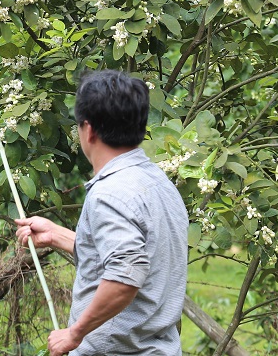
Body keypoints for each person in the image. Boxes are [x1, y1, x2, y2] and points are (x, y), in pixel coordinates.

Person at [15, 70, 189, 356]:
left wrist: (74, 333)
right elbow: (140, 253)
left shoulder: (111, 193)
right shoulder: (157, 182)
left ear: (89, 129)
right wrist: (57, 235)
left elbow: (125, 274)